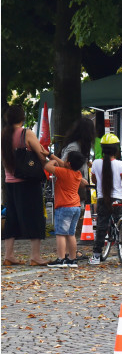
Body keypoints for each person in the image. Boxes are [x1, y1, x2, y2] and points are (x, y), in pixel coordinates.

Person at [1, 105, 49, 266]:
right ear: (22, 118)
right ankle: (35, 256)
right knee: (35, 216)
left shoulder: (3, 134)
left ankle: (9, 255)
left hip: (9, 181)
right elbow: (41, 155)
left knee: (12, 217)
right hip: (28, 181)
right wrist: (52, 164)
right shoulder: (25, 133)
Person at [89, 134, 122, 265]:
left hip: (103, 200)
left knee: (101, 226)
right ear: (116, 149)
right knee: (121, 224)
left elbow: (94, 180)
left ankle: (96, 256)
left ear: (102, 149)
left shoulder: (96, 163)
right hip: (118, 200)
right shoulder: (121, 164)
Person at [44, 151, 88, 268]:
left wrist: (52, 160)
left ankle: (61, 258)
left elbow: (47, 167)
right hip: (76, 207)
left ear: (68, 163)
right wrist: (51, 155)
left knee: (60, 234)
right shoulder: (77, 173)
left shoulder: (63, 172)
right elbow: (64, 165)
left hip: (64, 207)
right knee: (71, 234)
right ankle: (72, 259)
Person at [59, 117, 95, 205]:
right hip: (71, 191)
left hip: (77, 189)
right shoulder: (74, 147)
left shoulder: (81, 146)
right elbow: (64, 165)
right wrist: (80, 179)